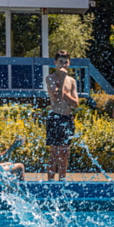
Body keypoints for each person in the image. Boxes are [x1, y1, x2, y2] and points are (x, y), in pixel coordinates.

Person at [45, 50, 79, 181]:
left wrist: (63, 90)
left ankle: (62, 181)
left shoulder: (72, 81)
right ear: (55, 63)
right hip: (55, 117)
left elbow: (76, 103)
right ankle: (50, 182)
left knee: (65, 153)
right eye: (61, 62)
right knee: (54, 153)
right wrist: (62, 79)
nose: (63, 65)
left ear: (69, 63)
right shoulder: (50, 78)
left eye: (66, 62)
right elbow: (58, 98)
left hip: (67, 118)